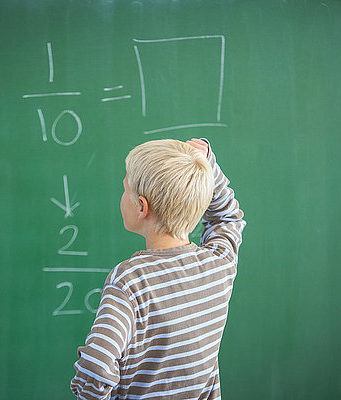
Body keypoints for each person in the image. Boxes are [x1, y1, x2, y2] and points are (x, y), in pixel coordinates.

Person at [70, 138, 246, 399]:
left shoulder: (130, 282)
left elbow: (96, 367)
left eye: (124, 188)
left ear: (142, 206)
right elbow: (227, 217)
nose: (121, 195)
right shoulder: (219, 265)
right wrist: (208, 165)